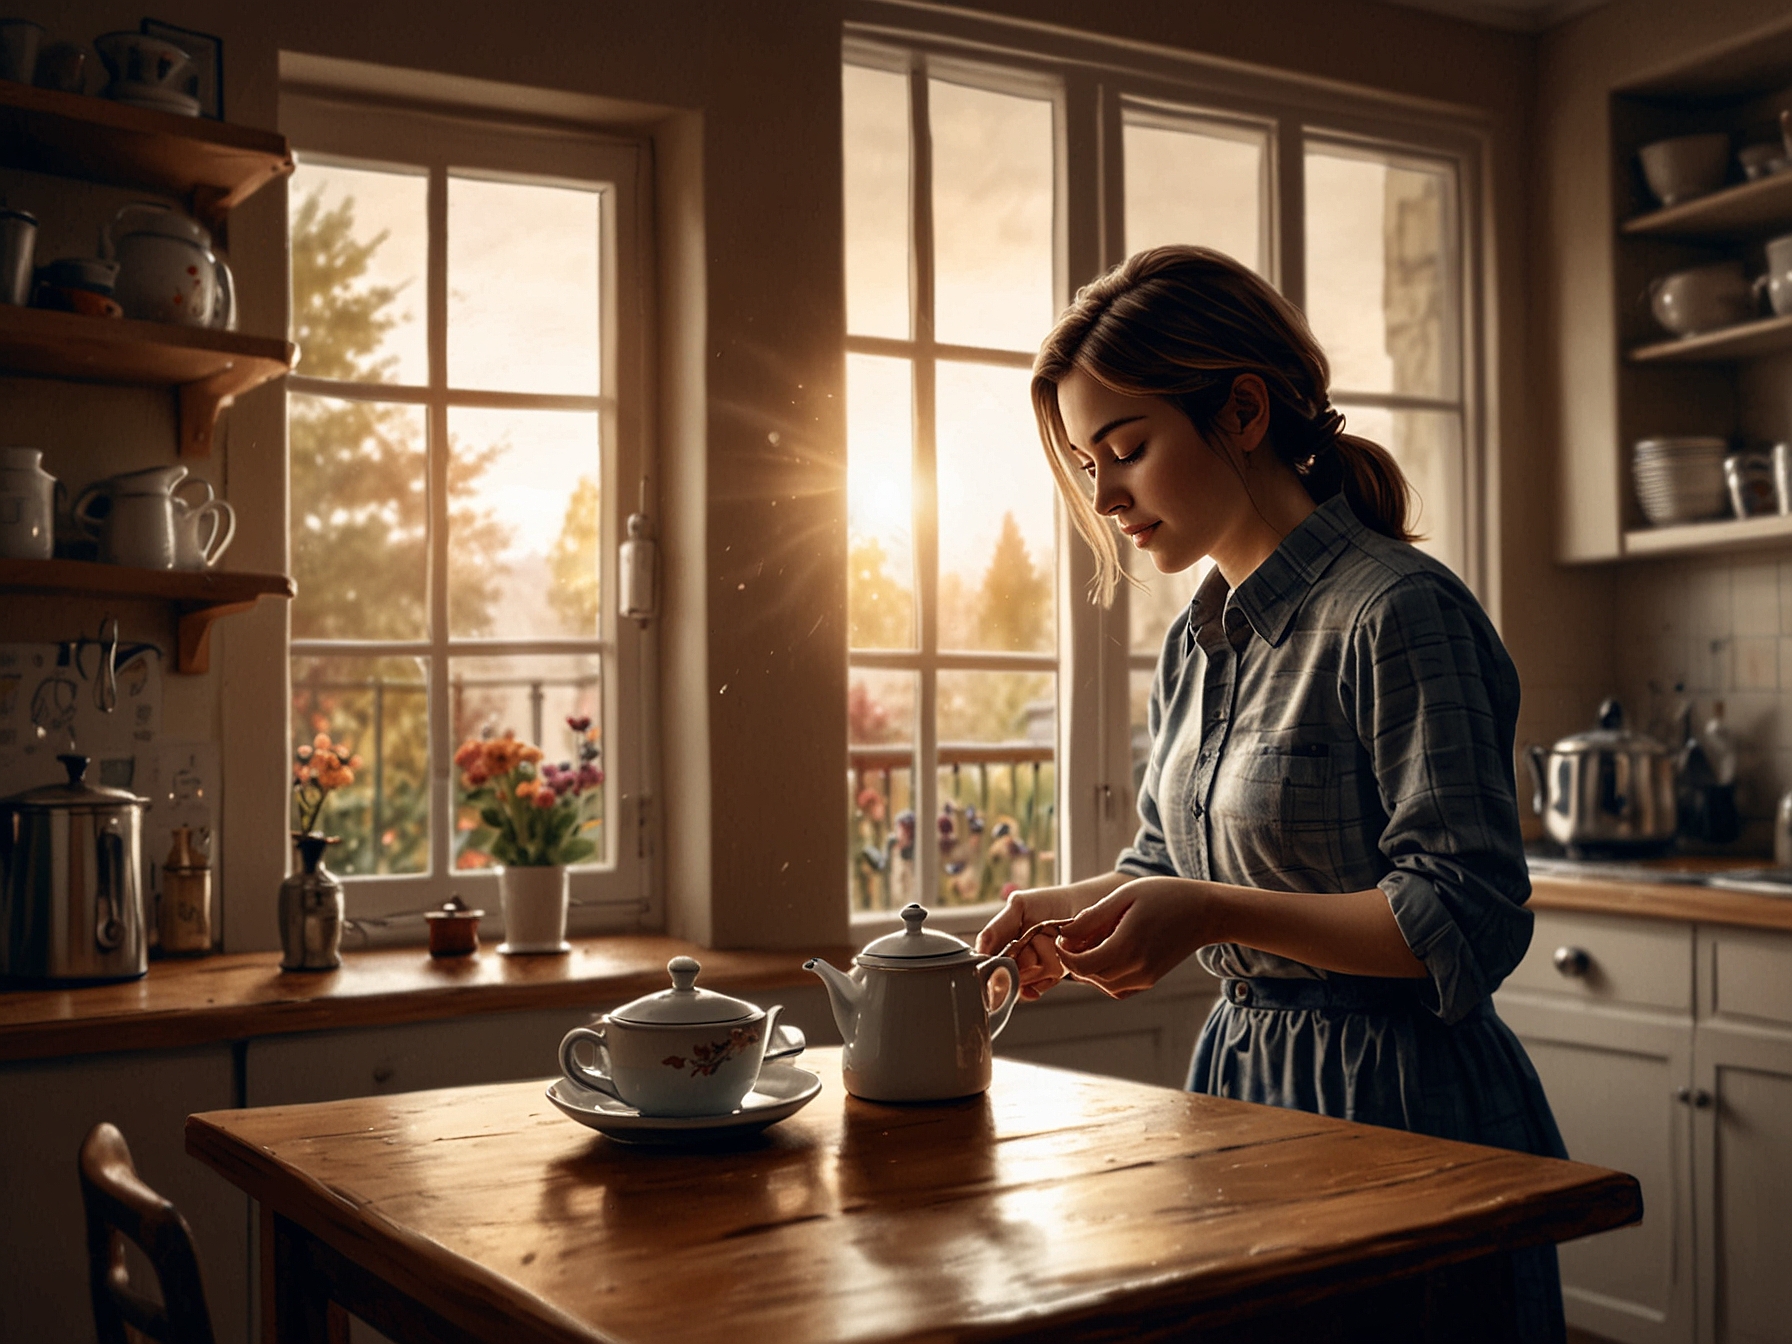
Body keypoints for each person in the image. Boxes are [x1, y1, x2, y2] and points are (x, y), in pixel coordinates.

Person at [975, 245, 1569, 1342]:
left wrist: (1209, 913)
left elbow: (1465, 916)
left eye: (1126, 448)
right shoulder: (1195, 641)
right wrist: (1059, 910)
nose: (1102, 495)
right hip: (1241, 1091)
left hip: (1406, 1112)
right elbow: (1171, 866)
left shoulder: (1399, 613)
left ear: (1241, 411)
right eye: (1083, 460)